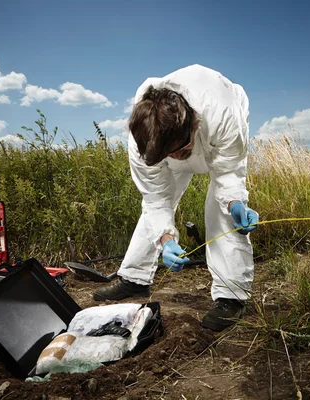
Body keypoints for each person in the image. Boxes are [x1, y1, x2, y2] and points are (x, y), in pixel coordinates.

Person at [93, 64, 259, 332]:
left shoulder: (224, 113)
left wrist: (235, 203)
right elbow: (156, 199)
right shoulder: (143, 138)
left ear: (193, 124)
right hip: (176, 142)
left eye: (180, 152)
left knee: (222, 209)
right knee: (155, 205)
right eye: (168, 155)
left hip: (217, 137)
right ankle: (135, 277)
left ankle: (232, 295)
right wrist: (166, 241)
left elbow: (227, 172)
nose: (177, 159)